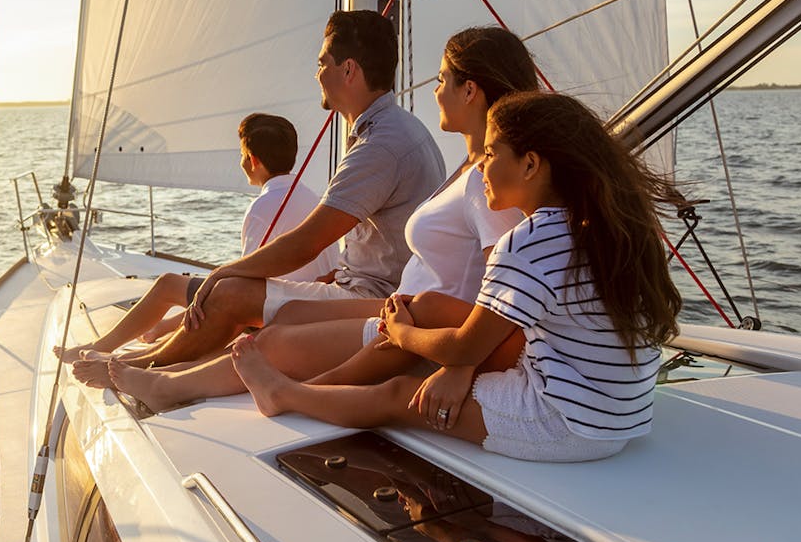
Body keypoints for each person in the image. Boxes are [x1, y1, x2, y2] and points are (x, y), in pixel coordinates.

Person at [233, 91, 683, 463]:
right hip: (620, 415)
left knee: (398, 394)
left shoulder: (529, 240)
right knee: (431, 307)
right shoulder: (602, 227)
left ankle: (285, 395)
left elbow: (467, 346)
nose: (480, 166)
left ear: (530, 165)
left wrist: (403, 333)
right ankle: (324, 384)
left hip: (566, 422)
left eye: (491, 153)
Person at [105, 27, 537, 411]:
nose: (434, 90)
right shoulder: (467, 165)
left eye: (442, 79)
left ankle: (167, 383)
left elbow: (505, 286)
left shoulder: (483, 179)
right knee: (287, 316)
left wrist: (461, 362)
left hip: (420, 324)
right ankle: (168, 370)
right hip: (405, 306)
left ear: (470, 91)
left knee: (261, 327)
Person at [71, 10, 445, 385]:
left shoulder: (380, 144)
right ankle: (147, 358)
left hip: (375, 300)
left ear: (348, 70)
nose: (317, 74)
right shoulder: (398, 130)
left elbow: (306, 244)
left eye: (322, 64)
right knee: (231, 292)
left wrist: (224, 271)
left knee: (229, 293)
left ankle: (143, 369)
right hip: (371, 289)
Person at [57, 113, 337, 359]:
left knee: (168, 284)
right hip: (307, 304)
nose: (241, 161)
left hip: (272, 308)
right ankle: (159, 329)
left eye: (242, 155)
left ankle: (102, 346)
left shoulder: (263, 208)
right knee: (200, 291)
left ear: (253, 160)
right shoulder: (313, 198)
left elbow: (241, 287)